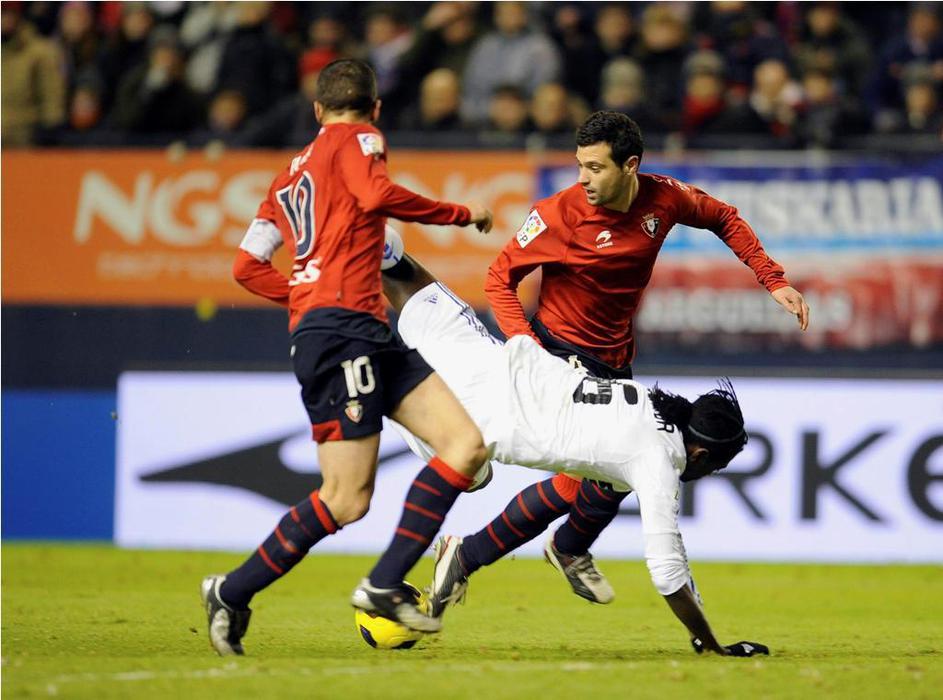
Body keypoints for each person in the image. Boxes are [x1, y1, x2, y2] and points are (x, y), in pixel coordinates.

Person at [201, 58, 494, 656]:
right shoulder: (362, 138)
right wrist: (461, 214)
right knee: (346, 498)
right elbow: (373, 192)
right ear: (375, 108)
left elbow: (246, 266)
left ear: (316, 109)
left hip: (364, 331)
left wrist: (303, 294)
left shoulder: (287, 178)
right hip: (341, 335)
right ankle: (233, 590)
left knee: (466, 446)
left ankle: (383, 583)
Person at [463, 110, 810, 607]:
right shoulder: (559, 215)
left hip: (614, 357)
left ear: (630, 166)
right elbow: (499, 279)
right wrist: (526, 347)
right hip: (561, 353)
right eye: (580, 165)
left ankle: (549, 549)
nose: (583, 178)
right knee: (589, 479)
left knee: (610, 479)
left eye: (595, 167)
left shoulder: (663, 198)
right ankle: (487, 553)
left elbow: (724, 217)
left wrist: (772, 280)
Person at [381, 233, 770, 658]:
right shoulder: (656, 464)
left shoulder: (640, 400)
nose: (706, 476)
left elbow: (594, 487)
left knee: (401, 271)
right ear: (699, 454)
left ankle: (364, 238)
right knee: (473, 474)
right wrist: (710, 644)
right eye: (712, 469)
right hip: (459, 418)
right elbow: (668, 573)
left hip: (483, 355)